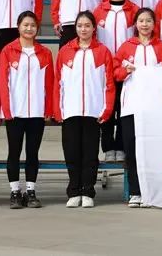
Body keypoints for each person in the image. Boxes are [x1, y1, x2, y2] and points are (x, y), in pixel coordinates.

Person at [54, 11, 116, 209]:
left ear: (93, 28)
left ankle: (88, 191)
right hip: (70, 111)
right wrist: (58, 109)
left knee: (90, 154)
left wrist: (106, 109)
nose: (83, 29)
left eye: (87, 25)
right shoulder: (65, 51)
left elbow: (108, 84)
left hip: (93, 111)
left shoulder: (102, 51)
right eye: (80, 26)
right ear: (76, 28)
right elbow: (58, 83)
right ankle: (74, 191)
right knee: (72, 153)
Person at [114, 8, 162, 208]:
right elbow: (115, 73)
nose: (145, 24)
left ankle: (153, 192)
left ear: (154, 24)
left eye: (148, 21)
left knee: (153, 150)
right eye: (141, 21)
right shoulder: (126, 47)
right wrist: (125, 71)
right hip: (131, 105)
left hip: (154, 107)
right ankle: (135, 192)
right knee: (132, 150)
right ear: (135, 24)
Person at [0, 11, 54, 209]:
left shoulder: (45, 52)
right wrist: (6, 109)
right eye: (25, 25)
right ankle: (15, 191)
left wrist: (48, 108)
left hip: (37, 112)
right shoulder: (8, 51)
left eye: (33, 25)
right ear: (18, 27)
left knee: (32, 152)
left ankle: (30, 191)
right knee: (14, 152)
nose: (29, 28)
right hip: (15, 112)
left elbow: (49, 83)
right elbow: (3, 82)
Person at [93, 0, 139, 162]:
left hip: (125, 67)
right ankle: (108, 147)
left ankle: (121, 146)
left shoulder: (134, 10)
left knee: (123, 108)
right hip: (105, 67)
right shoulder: (99, 11)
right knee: (107, 109)